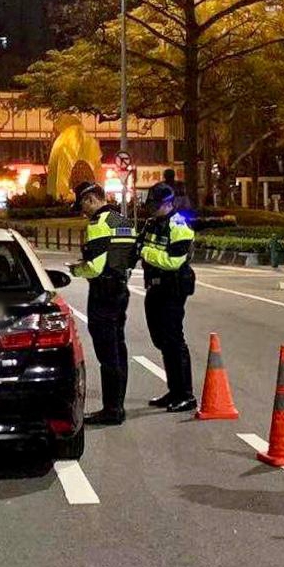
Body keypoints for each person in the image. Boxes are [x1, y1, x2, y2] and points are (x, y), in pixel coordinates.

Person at [69, 181, 137, 425]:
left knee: (107, 352)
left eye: (82, 205)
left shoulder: (98, 225)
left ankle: (111, 410)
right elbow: (130, 258)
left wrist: (76, 270)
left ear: (91, 199)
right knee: (118, 348)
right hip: (120, 289)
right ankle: (118, 405)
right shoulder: (123, 222)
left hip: (102, 293)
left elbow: (95, 267)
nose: (83, 212)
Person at [138, 182, 197, 412]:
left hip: (173, 288)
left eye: (156, 205)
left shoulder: (179, 225)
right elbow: (138, 245)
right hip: (154, 287)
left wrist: (145, 252)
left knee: (173, 339)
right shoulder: (151, 223)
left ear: (169, 203)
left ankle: (185, 394)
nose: (152, 209)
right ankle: (174, 391)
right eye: (151, 204)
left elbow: (173, 261)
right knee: (160, 339)